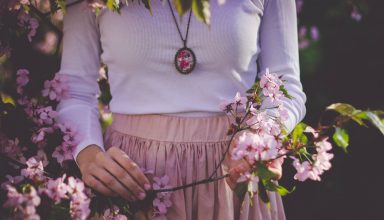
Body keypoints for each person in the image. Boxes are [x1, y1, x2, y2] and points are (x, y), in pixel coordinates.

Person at [55, 0, 306, 219]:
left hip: (233, 172)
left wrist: (261, 139)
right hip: (132, 180)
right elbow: (74, 90)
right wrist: (88, 155)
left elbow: (286, 85)